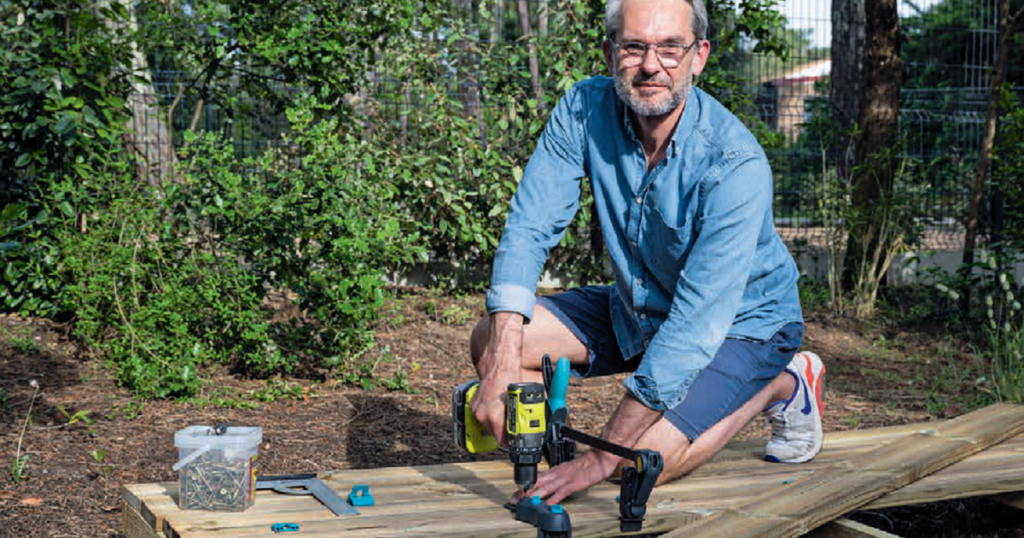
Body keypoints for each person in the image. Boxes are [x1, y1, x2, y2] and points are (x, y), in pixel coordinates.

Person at [468, 0, 825, 506]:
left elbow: (694, 328)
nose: (651, 65)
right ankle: (543, 455)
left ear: (698, 56)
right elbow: (528, 228)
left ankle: (783, 383)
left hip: (744, 323)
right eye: (634, 47)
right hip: (641, 307)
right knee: (492, 338)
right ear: (611, 52)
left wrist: (599, 457)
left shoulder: (735, 163)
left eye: (670, 48)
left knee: (635, 463)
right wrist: (503, 365)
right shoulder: (583, 111)